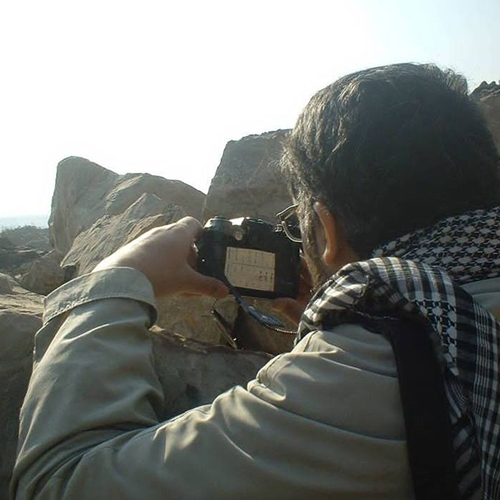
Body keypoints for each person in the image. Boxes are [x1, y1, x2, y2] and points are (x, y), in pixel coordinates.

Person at [11, 63, 500, 499]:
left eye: (297, 226)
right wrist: (344, 325)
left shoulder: (368, 379)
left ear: (328, 229)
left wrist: (117, 278)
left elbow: (61, 480)